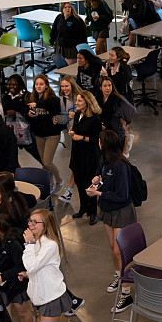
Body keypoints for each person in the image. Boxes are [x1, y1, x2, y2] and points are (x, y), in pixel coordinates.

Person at [87, 131, 137, 311]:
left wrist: (98, 193)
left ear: (105, 143)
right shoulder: (104, 160)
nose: (98, 143)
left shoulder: (120, 165)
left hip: (121, 210)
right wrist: (97, 179)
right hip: (107, 208)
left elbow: (122, 195)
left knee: (119, 251)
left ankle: (126, 293)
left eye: (100, 141)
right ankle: (119, 276)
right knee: (112, 248)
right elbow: (104, 177)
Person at [22, 208, 71, 321]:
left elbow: (32, 266)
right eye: (30, 221)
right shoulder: (35, 241)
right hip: (40, 295)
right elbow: (36, 266)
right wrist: (28, 274)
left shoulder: (50, 245)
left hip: (51, 296)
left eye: (35, 222)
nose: (31, 224)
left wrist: (28, 244)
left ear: (45, 225)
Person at [69, 92, 103, 224]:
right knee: (79, 182)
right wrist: (73, 133)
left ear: (87, 102)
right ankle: (83, 207)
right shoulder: (78, 114)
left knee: (90, 184)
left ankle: (93, 211)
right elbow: (76, 131)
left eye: (79, 101)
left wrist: (82, 137)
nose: (76, 103)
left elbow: (96, 139)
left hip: (89, 156)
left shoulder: (95, 119)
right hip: (77, 154)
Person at [26, 74, 64, 191]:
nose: (39, 86)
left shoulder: (52, 99)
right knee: (44, 162)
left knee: (48, 162)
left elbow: (49, 104)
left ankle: (59, 180)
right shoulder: (32, 98)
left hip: (52, 134)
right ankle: (51, 184)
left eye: (41, 84)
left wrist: (37, 105)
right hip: (39, 135)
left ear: (46, 86)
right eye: (36, 84)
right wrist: (29, 115)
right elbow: (27, 112)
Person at [3, 74, 43, 165]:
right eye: (10, 84)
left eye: (14, 84)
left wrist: (16, 113)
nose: (11, 87)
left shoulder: (27, 96)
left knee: (36, 153)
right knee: (10, 156)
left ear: (20, 85)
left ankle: (47, 168)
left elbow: (31, 114)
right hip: (11, 130)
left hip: (27, 130)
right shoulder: (6, 97)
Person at [57, 76, 81, 204]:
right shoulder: (63, 100)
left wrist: (76, 114)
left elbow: (89, 113)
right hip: (71, 136)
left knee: (77, 163)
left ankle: (70, 190)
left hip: (83, 135)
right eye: (62, 86)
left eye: (67, 86)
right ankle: (71, 190)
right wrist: (55, 119)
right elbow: (64, 118)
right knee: (75, 163)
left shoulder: (80, 98)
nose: (64, 89)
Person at [96, 77, 136, 149]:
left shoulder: (118, 101)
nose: (108, 88)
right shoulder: (97, 99)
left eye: (109, 85)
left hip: (116, 135)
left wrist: (125, 127)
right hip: (103, 134)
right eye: (105, 86)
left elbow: (130, 113)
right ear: (100, 87)